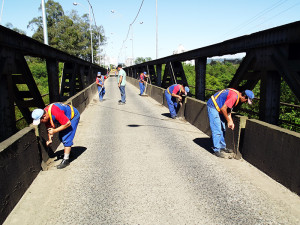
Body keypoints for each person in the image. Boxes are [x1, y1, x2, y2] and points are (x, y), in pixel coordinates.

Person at [207, 88, 254, 158]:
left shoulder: (237, 97)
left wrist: (231, 121)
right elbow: (223, 108)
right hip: (213, 106)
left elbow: (228, 110)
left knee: (223, 127)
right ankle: (217, 150)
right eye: (246, 100)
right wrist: (228, 121)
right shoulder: (234, 96)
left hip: (220, 107)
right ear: (244, 96)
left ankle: (222, 147)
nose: (245, 102)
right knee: (217, 128)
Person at [31, 103, 80, 169]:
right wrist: (50, 139)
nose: (41, 123)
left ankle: (66, 160)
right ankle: (69, 153)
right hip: (65, 118)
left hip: (73, 116)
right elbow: (49, 127)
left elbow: (67, 123)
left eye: (40, 121)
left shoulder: (55, 112)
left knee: (66, 138)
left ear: (44, 116)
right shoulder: (46, 113)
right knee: (61, 137)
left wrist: (55, 131)